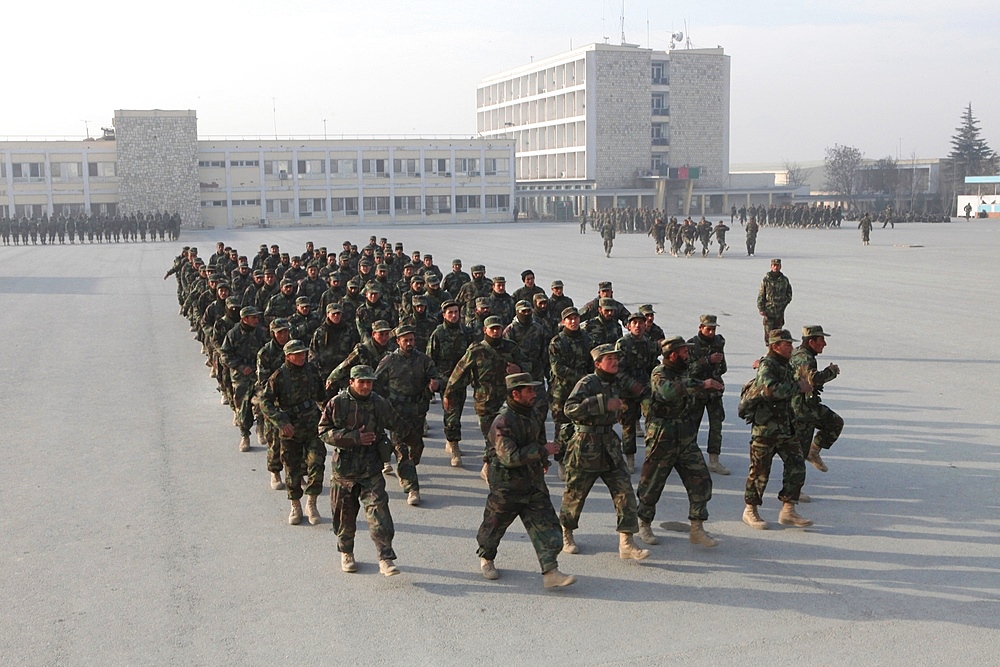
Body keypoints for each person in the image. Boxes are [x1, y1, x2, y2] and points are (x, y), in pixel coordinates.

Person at [477, 373, 577, 589]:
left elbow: (538, 437)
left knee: (550, 530)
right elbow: (509, 457)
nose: (534, 394)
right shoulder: (502, 421)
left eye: (534, 389)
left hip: (533, 484)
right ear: (516, 393)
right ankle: (487, 557)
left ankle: (550, 571)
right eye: (529, 390)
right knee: (494, 527)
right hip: (507, 487)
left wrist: (543, 459)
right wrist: (542, 450)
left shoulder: (533, 413)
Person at [559, 344, 650, 562]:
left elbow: (640, 392)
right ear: (598, 363)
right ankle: (566, 534)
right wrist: (600, 403)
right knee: (576, 494)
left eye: (616, 358)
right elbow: (569, 409)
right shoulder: (588, 382)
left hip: (609, 445)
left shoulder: (617, 381)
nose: (615, 362)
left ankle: (626, 542)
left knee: (625, 492)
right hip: (585, 445)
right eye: (609, 359)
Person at [319, 365, 407, 576]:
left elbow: (396, 423)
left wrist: (411, 442)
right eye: (362, 382)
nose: (366, 386)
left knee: (380, 514)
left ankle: (385, 558)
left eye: (370, 382)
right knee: (344, 517)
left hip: (371, 469)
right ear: (352, 382)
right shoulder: (338, 403)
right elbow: (323, 431)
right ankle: (346, 552)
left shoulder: (378, 402)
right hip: (344, 473)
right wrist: (354, 437)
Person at [636, 336, 722, 547]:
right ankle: (644, 524)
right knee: (652, 484)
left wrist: (708, 388)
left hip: (685, 437)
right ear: (673, 354)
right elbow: (667, 392)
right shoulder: (659, 373)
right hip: (662, 437)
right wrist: (701, 384)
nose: (687, 355)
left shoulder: (685, 372)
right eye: (684, 352)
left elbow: (693, 386)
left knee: (701, 479)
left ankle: (697, 528)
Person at [742, 329, 813, 530]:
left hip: (784, 426)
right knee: (760, 470)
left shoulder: (785, 364)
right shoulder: (768, 365)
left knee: (797, 464)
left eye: (791, 344)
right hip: (765, 428)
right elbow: (769, 390)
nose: (791, 347)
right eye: (787, 344)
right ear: (775, 346)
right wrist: (798, 388)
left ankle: (788, 510)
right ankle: (750, 510)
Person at [443, 315, 526, 481]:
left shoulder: (511, 348)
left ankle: (490, 465)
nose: (495, 332)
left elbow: (528, 368)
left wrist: (519, 369)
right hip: (484, 401)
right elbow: (459, 373)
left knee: (504, 435)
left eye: (498, 329)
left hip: (507, 401)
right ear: (485, 330)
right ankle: (490, 466)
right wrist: (448, 393)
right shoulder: (476, 350)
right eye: (492, 329)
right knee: (491, 436)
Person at [259, 339, 328, 526]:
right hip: (290, 429)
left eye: (303, 353)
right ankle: (295, 504)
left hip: (312, 425)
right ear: (288, 356)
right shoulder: (279, 377)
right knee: (292, 468)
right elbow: (264, 403)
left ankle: (311, 503)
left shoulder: (312, 371)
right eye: (297, 354)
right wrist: (281, 422)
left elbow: (322, 397)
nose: (301, 357)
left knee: (317, 462)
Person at [373, 325, 442, 506]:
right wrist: (382, 404)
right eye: (406, 340)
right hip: (397, 412)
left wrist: (435, 384)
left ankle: (406, 469)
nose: (409, 343)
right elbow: (375, 383)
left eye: (412, 339)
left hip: (418, 410)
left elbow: (436, 378)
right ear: (398, 341)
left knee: (416, 447)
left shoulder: (424, 360)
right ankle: (412, 488)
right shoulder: (389, 360)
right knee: (402, 450)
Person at [791, 325, 844, 496]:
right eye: (821, 340)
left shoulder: (801, 354)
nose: (825, 344)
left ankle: (814, 451)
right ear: (811, 341)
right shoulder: (804, 358)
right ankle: (793, 490)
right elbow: (813, 379)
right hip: (801, 411)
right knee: (798, 453)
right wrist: (831, 372)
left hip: (809, 407)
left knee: (835, 422)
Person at [426, 299, 474, 467]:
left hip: (462, 379)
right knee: (451, 412)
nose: (454, 315)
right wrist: (432, 379)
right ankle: (454, 444)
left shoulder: (466, 332)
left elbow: (473, 355)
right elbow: (430, 359)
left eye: (456, 312)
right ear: (444, 315)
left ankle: (450, 438)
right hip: (445, 379)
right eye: (450, 312)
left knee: (457, 410)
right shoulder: (438, 334)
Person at [219, 306, 270, 452]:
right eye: (253, 317)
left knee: (262, 402)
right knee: (243, 407)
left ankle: (260, 427)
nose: (256, 320)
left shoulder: (260, 333)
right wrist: (240, 367)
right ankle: (245, 435)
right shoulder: (233, 334)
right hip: (240, 377)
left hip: (258, 374)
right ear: (244, 319)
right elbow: (225, 354)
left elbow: (268, 350)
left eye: (256, 317)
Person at [614, 312, 657, 474]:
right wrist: (633, 385)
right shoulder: (623, 344)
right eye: (634, 323)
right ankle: (629, 458)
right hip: (626, 391)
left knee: (652, 421)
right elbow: (618, 370)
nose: (638, 325)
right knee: (628, 426)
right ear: (629, 326)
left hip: (645, 389)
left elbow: (653, 365)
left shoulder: (648, 343)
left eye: (641, 322)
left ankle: (651, 456)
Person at [687, 315, 730, 475]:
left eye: (713, 329)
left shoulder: (718, 343)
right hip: (697, 391)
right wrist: (706, 360)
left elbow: (723, 367)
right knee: (692, 427)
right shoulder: (691, 345)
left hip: (714, 393)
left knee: (716, 426)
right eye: (708, 328)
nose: (711, 332)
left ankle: (714, 460)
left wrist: (717, 374)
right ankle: (690, 460)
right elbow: (688, 370)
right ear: (701, 327)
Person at [757, 258, 792, 343]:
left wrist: (784, 303)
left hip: (779, 311)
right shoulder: (766, 279)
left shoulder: (784, 280)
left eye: (778, 265)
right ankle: (769, 349)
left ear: (780, 267)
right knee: (768, 332)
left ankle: (777, 350)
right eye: (774, 265)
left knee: (778, 333)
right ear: (771, 266)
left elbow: (789, 293)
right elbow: (761, 294)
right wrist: (761, 308)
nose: (776, 267)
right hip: (768, 310)